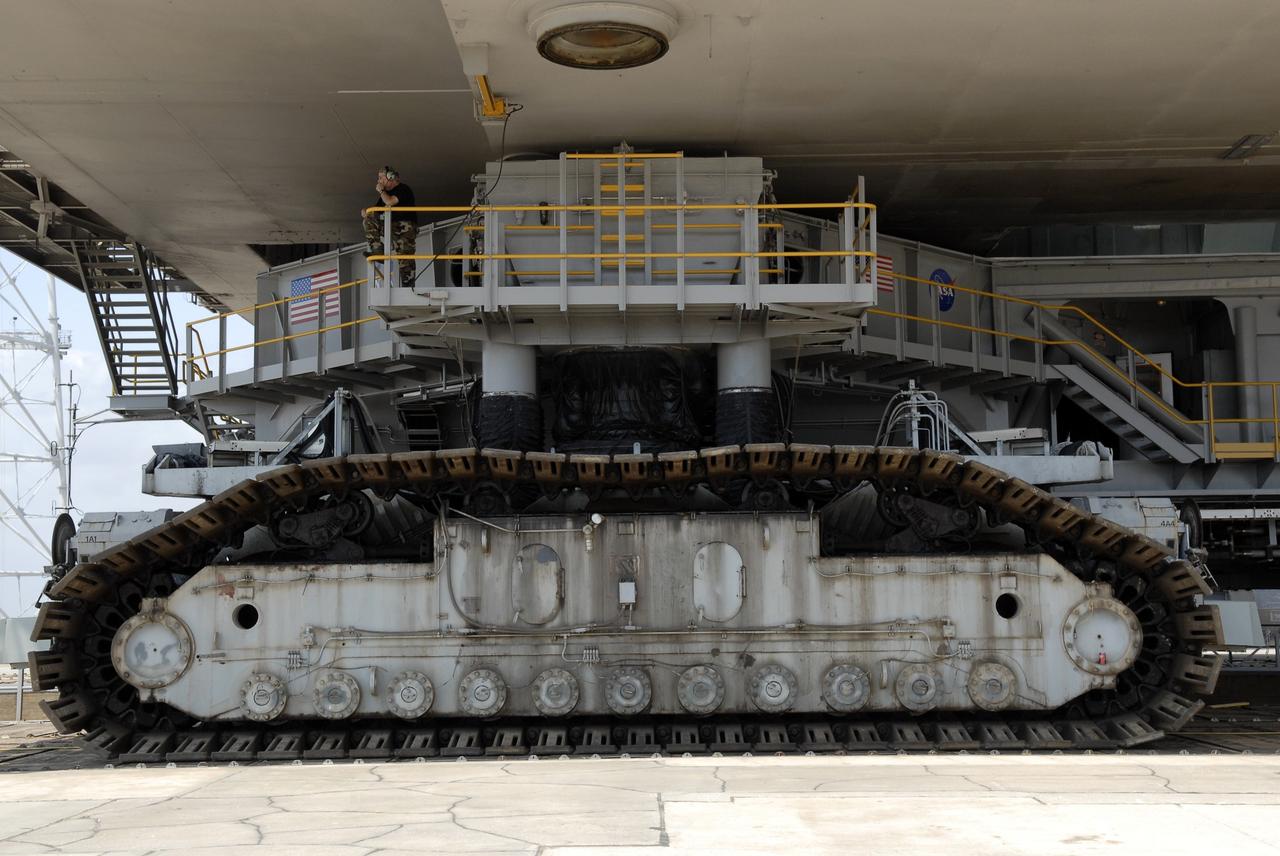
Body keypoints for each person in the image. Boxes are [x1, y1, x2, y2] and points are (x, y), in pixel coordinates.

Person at [363, 167, 418, 286]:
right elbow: (376, 212)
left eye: (381, 178)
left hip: (405, 229)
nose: (379, 181)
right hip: (391, 227)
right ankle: (378, 251)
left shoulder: (403, 189)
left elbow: (390, 202)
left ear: (390, 177)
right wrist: (366, 213)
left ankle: (408, 287)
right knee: (369, 220)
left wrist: (382, 192)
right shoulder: (385, 195)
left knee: (405, 258)